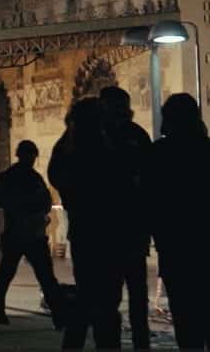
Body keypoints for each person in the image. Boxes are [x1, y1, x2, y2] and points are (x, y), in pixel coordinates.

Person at [145, 93, 210, 349]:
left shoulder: (158, 153)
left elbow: (144, 197)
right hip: (208, 245)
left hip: (173, 245)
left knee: (185, 321)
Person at [51, 98, 134, 349]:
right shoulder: (112, 147)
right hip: (112, 232)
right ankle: (106, 343)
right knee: (107, 300)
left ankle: (74, 343)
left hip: (83, 230)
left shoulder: (67, 149)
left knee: (87, 294)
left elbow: (56, 176)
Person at [100, 86, 154, 347]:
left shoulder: (106, 136)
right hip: (126, 230)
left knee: (118, 296)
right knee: (129, 295)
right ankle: (133, 341)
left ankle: (122, 341)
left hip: (122, 230)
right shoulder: (133, 135)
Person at [0, 140, 64, 324]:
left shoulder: (11, 176)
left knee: (9, 273)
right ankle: (59, 315)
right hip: (28, 233)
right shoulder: (32, 178)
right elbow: (44, 202)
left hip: (22, 233)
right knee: (45, 276)